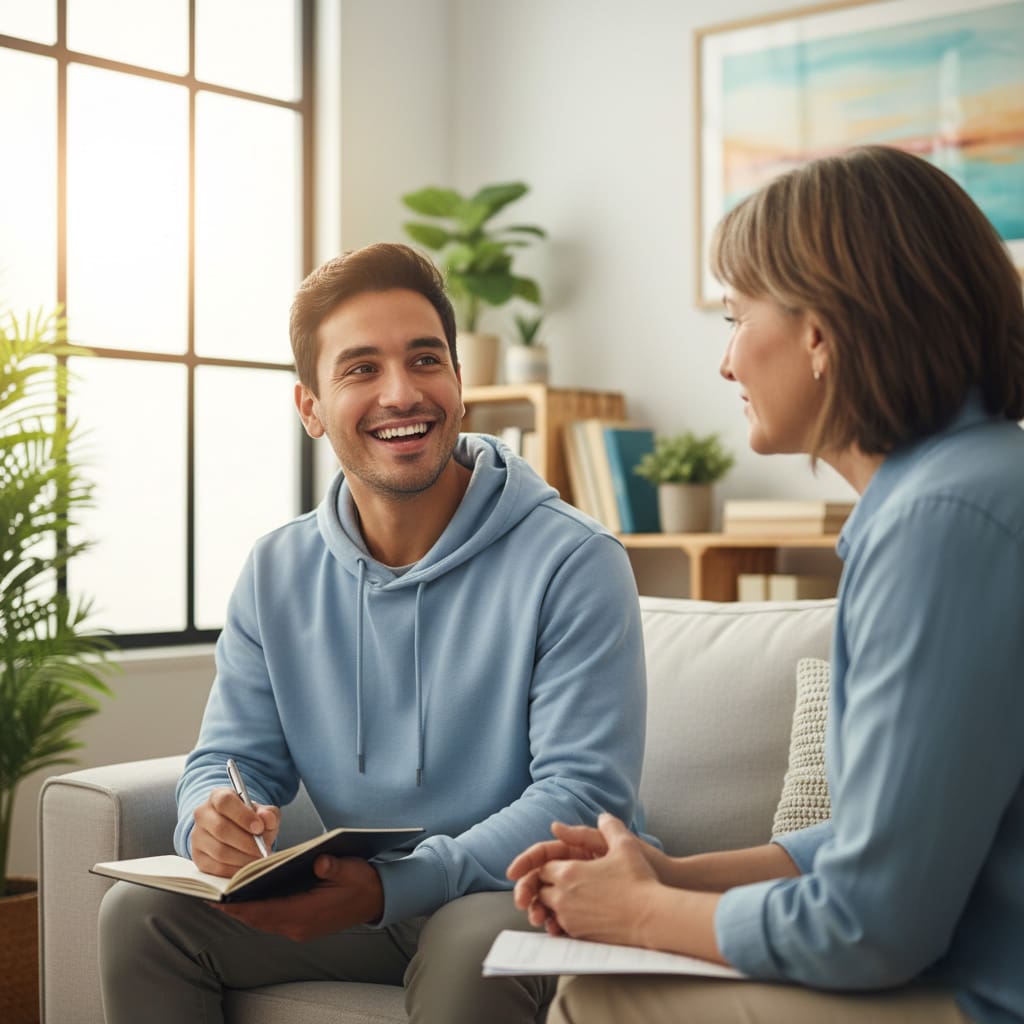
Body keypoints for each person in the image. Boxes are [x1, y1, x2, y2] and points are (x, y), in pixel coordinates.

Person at [508, 145, 1024, 1024]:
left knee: (606, 991)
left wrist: (640, 912)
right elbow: (895, 839)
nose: (726, 364)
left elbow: (872, 924)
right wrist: (673, 876)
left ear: (820, 332)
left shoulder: (942, 524)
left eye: (736, 317)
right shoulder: (972, 488)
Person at [98, 242, 650, 1024]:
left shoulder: (575, 560)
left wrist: (397, 884)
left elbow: (578, 800)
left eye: (426, 360)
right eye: (360, 369)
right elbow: (233, 759)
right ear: (311, 408)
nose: (402, 392)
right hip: (373, 904)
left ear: (458, 385)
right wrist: (212, 816)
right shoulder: (276, 570)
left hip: (523, 892)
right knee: (140, 917)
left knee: (468, 941)